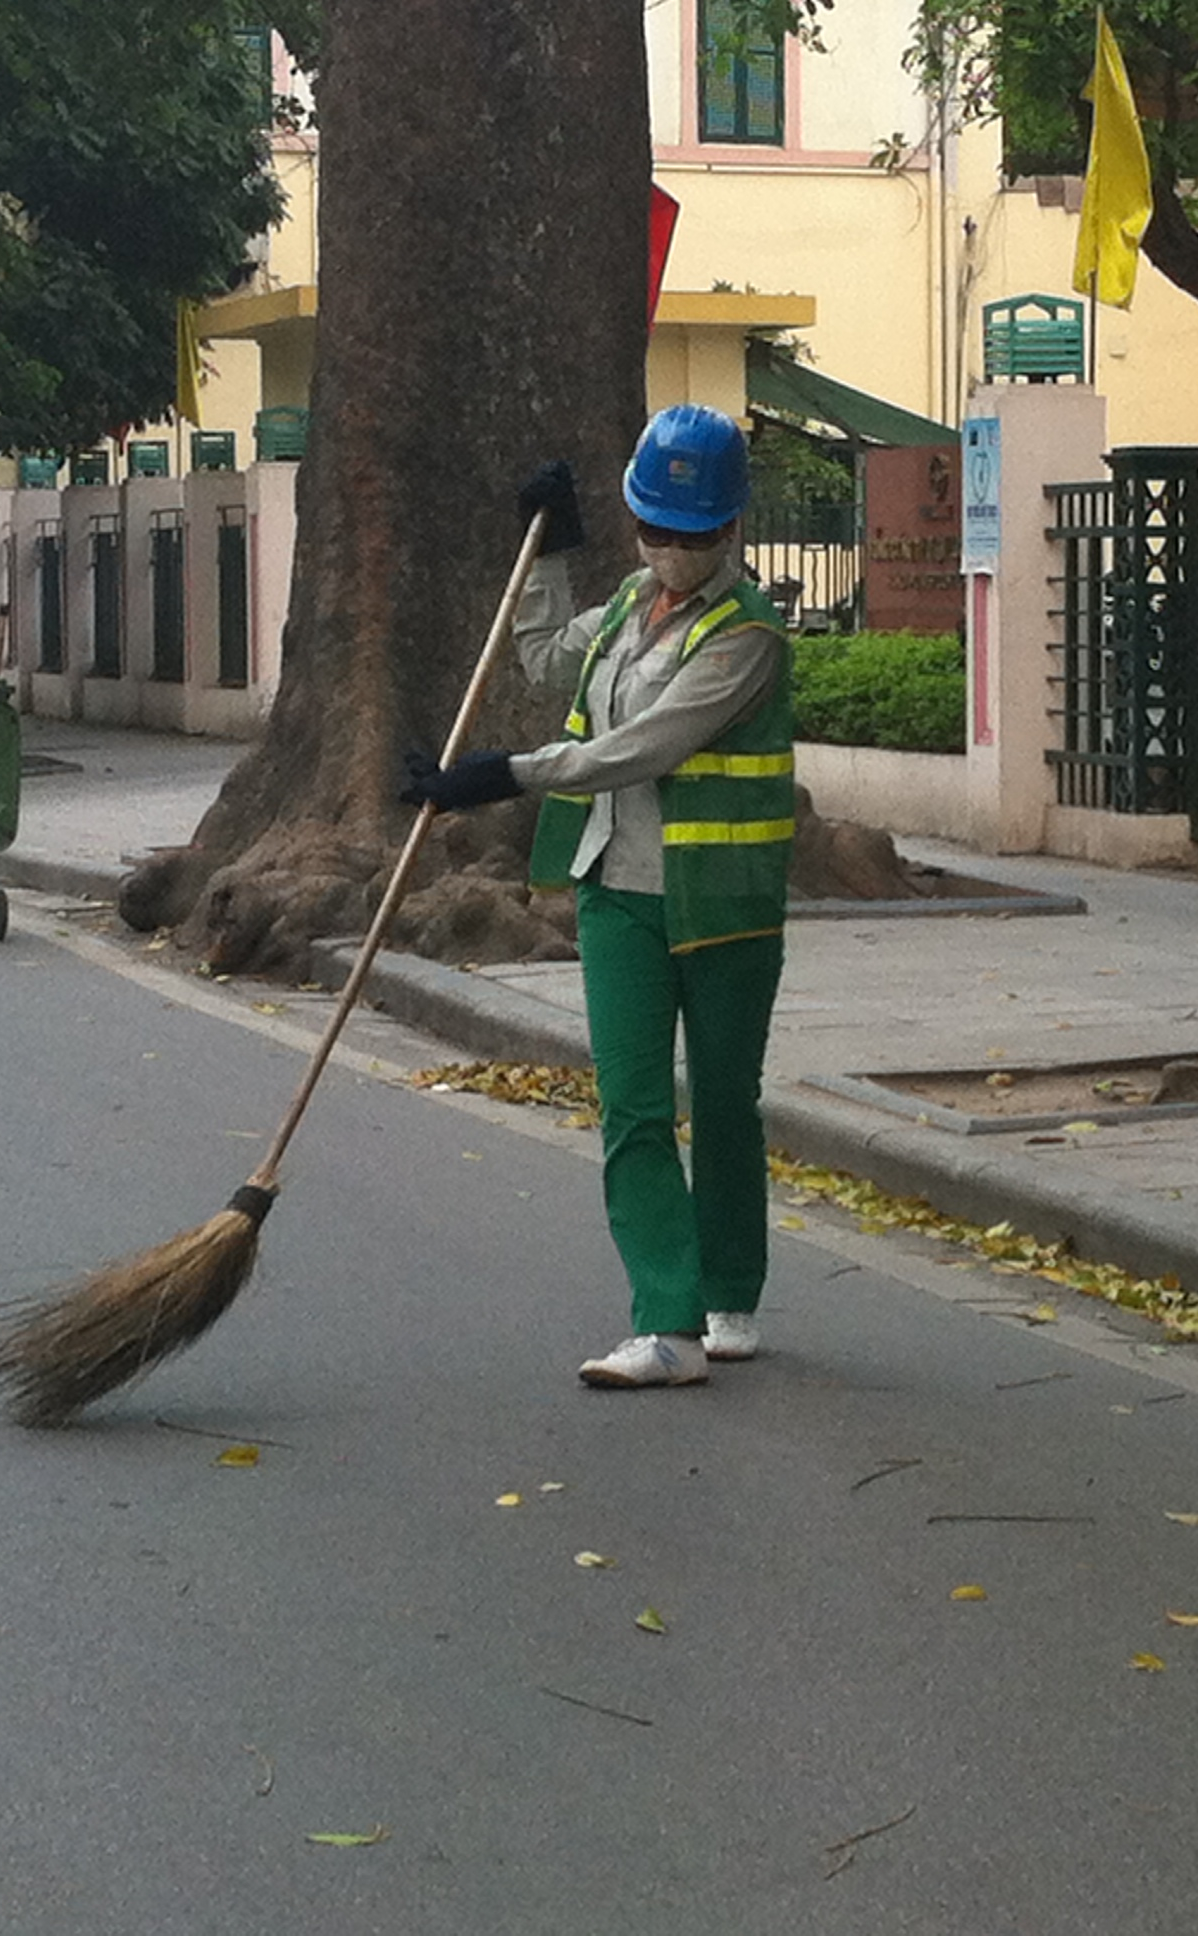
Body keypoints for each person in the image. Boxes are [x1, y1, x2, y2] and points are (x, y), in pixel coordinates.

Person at [403, 405, 794, 1389]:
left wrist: (508, 773)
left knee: (724, 1100)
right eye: (655, 529)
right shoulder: (622, 606)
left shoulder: (749, 637)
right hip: (615, 888)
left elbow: (648, 743)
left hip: (723, 905)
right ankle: (667, 1324)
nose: (671, 550)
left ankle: (728, 1293)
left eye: (692, 534)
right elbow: (540, 661)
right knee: (631, 1104)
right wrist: (549, 556)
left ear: (731, 529)